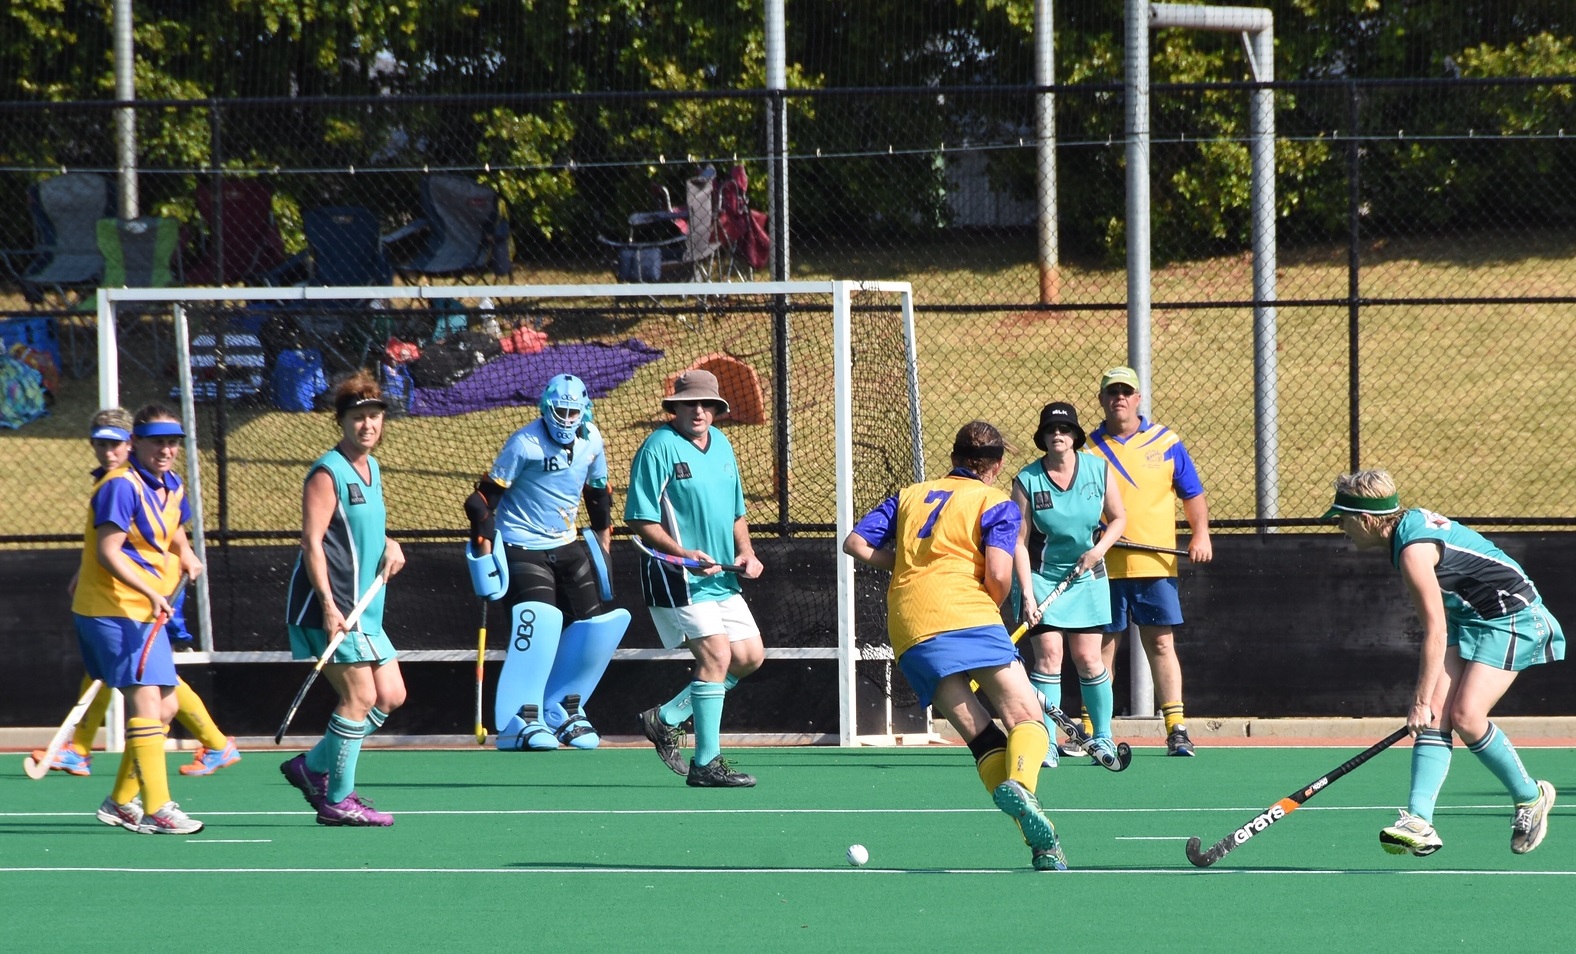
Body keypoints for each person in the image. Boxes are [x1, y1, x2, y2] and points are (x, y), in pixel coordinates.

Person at [843, 421, 1067, 870]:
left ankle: (1044, 848)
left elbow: (855, 543)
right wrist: (992, 610)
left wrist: (906, 564)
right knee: (1027, 717)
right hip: (969, 613)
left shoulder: (909, 495)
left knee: (982, 738)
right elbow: (1000, 575)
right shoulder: (996, 502)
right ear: (997, 465)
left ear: (953, 458)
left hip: (910, 624)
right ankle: (1024, 788)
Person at [1326, 469, 1562, 856]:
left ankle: (1530, 797)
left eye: (1343, 519)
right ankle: (1419, 821)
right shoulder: (1404, 532)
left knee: (1467, 717)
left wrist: (1418, 701)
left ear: (1367, 519)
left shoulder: (1412, 551)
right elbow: (1444, 623)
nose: (1340, 527)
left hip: (1513, 617)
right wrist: (1428, 704)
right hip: (1470, 617)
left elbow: (1433, 631)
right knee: (1438, 715)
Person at [37, 408, 241, 780]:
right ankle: (86, 754)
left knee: (155, 687)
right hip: (123, 596)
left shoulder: (133, 482)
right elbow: (113, 537)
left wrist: (186, 554)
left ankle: (209, 744)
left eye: (115, 444)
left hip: (147, 592)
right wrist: (85, 570)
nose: (107, 452)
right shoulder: (118, 482)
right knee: (125, 676)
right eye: (100, 444)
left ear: (130, 443)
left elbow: (162, 523)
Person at [463, 373, 629, 750]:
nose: (566, 419)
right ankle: (520, 718)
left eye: (574, 412)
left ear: (584, 411)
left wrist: (603, 546)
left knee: (590, 630)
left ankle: (564, 709)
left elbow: (598, 494)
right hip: (522, 545)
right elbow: (480, 502)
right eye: (560, 411)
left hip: (568, 544)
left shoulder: (593, 440)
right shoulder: (524, 443)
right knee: (538, 626)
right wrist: (485, 553)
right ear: (546, 408)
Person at [626, 369, 764, 787]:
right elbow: (640, 520)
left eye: (707, 404)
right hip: (678, 576)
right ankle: (706, 764)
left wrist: (748, 551)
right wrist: (685, 555)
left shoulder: (722, 445)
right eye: (691, 404)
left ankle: (666, 717)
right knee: (717, 657)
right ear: (675, 407)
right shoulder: (658, 448)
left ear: (717, 410)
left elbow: (737, 512)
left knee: (749, 657)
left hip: (722, 575)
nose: (699, 411)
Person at [281, 371, 407, 827]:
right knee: (359, 695)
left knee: (390, 695)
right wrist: (330, 607)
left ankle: (310, 766)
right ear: (342, 421)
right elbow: (312, 542)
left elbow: (363, 531)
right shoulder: (325, 473)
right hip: (329, 607)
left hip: (367, 607)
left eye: (375, 416)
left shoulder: (371, 468)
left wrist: (390, 544)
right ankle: (338, 798)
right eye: (359, 417)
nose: (368, 425)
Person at [72, 404, 206, 834]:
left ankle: (121, 802)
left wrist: (185, 552)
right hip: (110, 609)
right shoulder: (119, 486)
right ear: (138, 444)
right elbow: (108, 551)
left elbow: (173, 528)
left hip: (145, 611)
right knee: (147, 699)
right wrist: (151, 589)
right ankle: (158, 806)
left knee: (165, 707)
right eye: (157, 442)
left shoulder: (172, 485)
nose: (166, 450)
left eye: (173, 442)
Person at [1084, 366, 1212, 757]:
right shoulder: (1085, 448)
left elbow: (1192, 495)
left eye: (1126, 391)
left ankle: (1176, 729)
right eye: (1112, 392)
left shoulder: (1167, 441)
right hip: (1105, 566)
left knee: (1160, 643)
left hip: (1155, 566)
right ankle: (1096, 731)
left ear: (1138, 398)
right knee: (1102, 648)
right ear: (1103, 399)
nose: (1119, 398)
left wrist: (1201, 534)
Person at [1010, 401, 1126, 768]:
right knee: (1048, 658)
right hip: (1043, 579)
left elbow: (1120, 518)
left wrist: (1099, 550)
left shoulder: (1098, 469)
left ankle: (1102, 737)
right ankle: (1045, 741)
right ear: (1043, 438)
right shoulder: (1027, 480)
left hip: (1087, 576)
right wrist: (1027, 593)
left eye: (1064, 430)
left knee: (1090, 658)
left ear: (1075, 436)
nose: (1057, 435)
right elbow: (1018, 541)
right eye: (1050, 431)